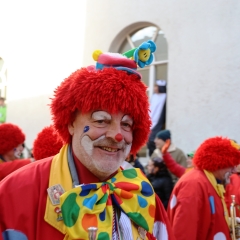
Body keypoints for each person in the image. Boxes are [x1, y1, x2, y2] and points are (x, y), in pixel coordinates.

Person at [0, 41, 175, 240]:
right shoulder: (15, 193)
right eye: (101, 120)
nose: (116, 135)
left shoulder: (144, 193)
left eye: (126, 124)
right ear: (71, 123)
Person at [167, 136, 240, 240]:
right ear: (218, 162)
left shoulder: (207, 181)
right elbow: (184, 232)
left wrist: (227, 221)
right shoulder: (194, 184)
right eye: (231, 165)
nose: (234, 170)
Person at [147, 80, 167, 156]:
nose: (155, 88)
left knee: (153, 141)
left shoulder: (164, 97)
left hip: (158, 123)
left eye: (156, 86)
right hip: (151, 121)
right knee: (149, 141)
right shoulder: (154, 96)